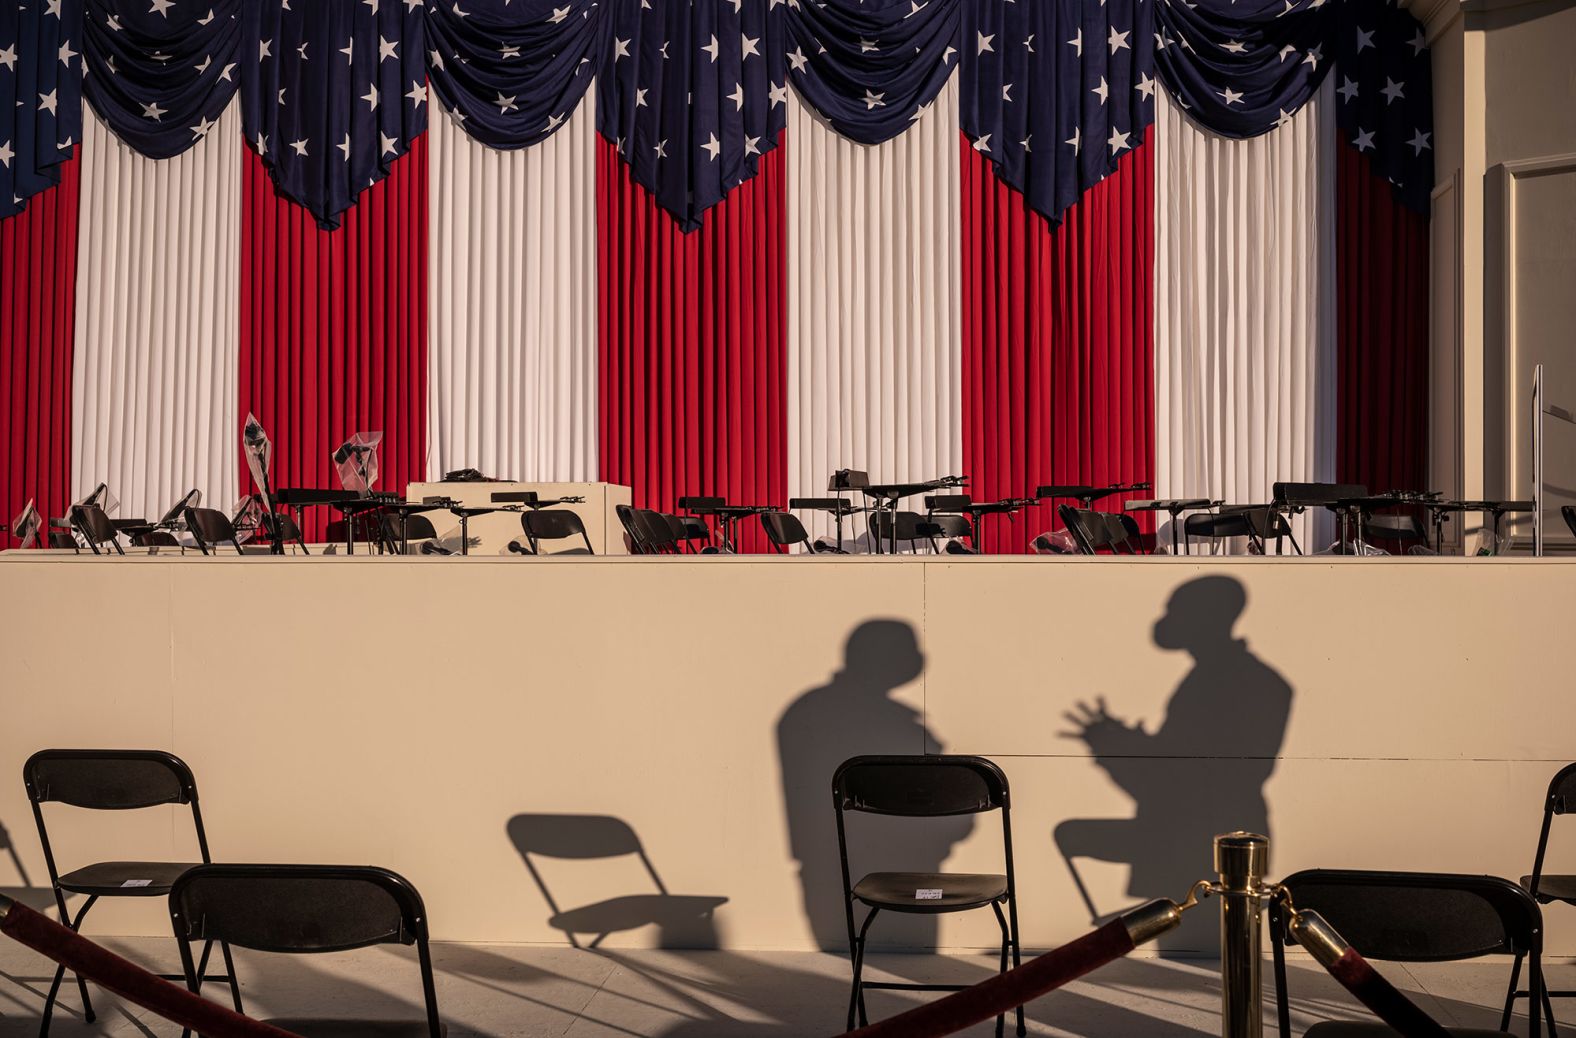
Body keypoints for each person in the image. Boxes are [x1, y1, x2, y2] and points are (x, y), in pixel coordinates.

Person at [1055, 576, 1293, 948]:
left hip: (1207, 836)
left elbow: (1189, 773)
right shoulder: (1241, 679)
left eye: (1177, 610)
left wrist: (1114, 747)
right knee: (1213, 949)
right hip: (1213, 831)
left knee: (1212, 946)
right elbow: (1190, 759)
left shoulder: (1231, 681)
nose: (1167, 619)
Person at [776, 620, 970, 951]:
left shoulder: (802, 713)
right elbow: (954, 812)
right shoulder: (904, 727)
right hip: (913, 875)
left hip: (832, 876)